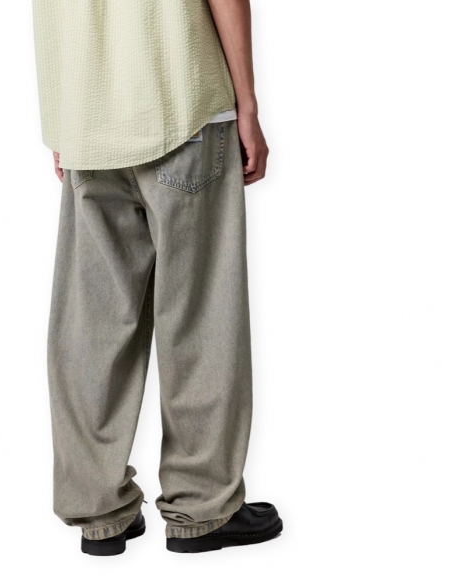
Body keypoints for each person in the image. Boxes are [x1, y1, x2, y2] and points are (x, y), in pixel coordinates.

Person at [32, 0, 282, 555]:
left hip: (87, 119)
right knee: (201, 318)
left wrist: (60, 119)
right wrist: (247, 103)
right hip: (182, 102)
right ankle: (202, 507)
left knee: (92, 327)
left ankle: (97, 509)